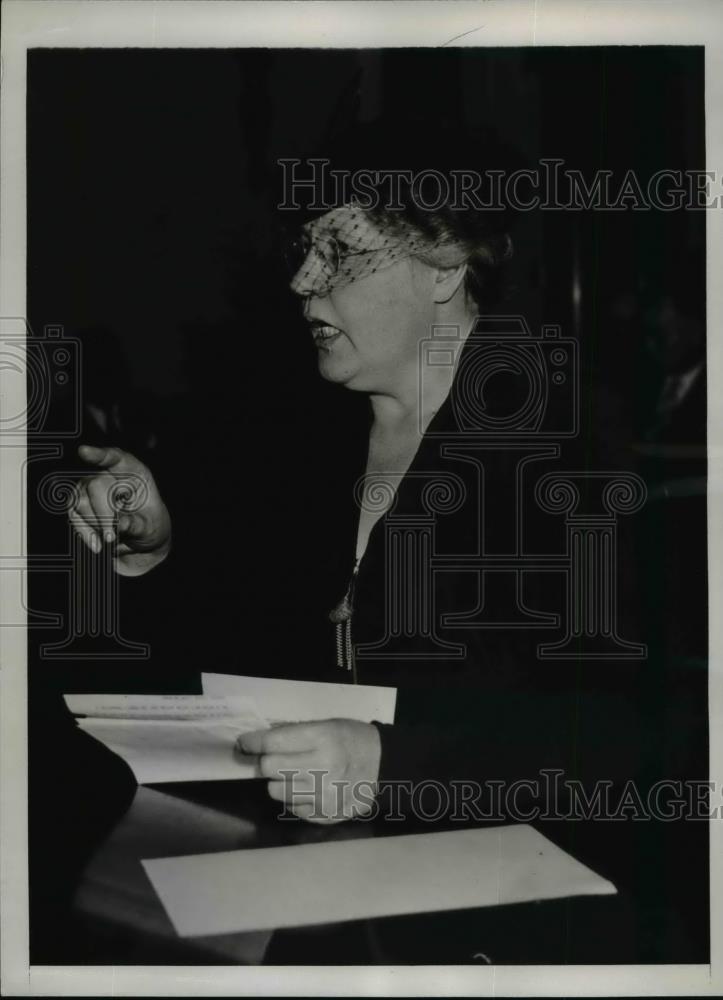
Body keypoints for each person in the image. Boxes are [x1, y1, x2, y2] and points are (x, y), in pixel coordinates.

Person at [69, 129, 649, 833]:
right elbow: (227, 637)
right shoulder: (296, 431)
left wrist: (393, 764)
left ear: (443, 265)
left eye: (339, 253)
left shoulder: (565, 441)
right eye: (304, 252)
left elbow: (633, 727)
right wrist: (157, 541)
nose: (301, 280)